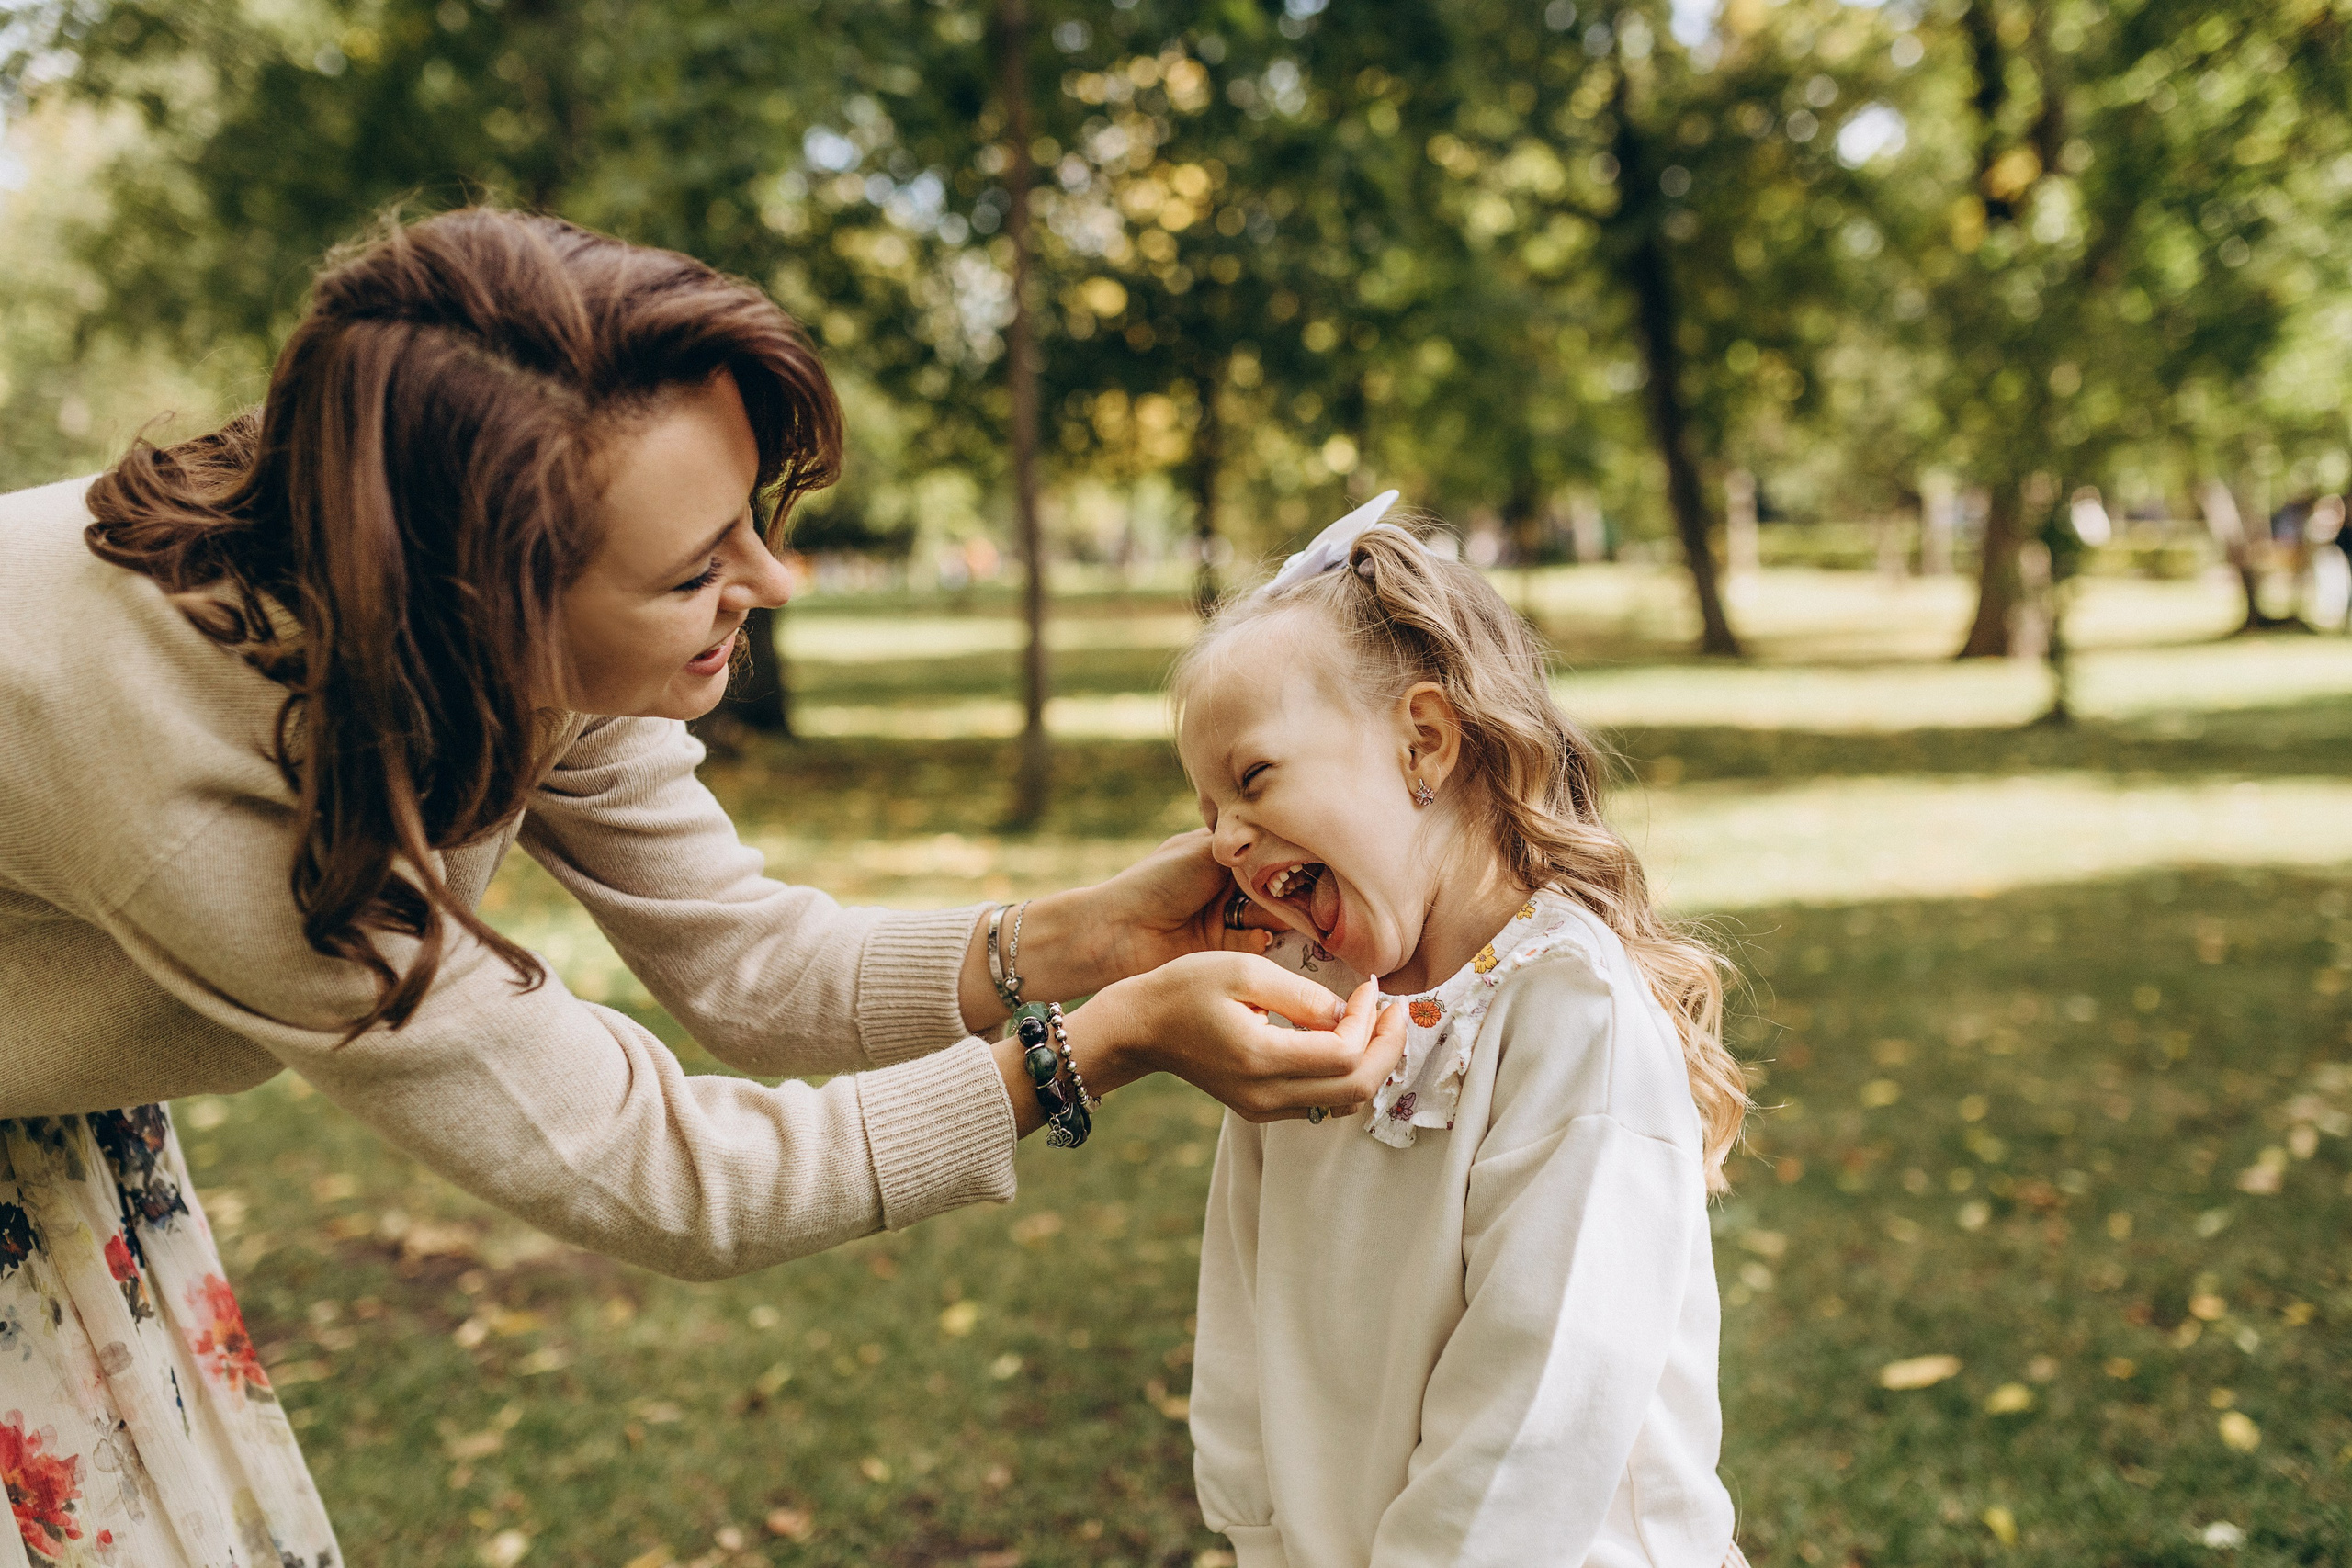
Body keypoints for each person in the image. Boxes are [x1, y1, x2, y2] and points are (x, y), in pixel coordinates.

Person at [0, 209, 1403, 1565]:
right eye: (696, 570)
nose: (774, 580)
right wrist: (1105, 1042)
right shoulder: (221, 806)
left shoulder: (476, 603)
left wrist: (1094, 933)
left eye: (749, 517)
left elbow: (752, 962)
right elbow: (659, 1171)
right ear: (483, 599)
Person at [1176, 496, 1752, 1568]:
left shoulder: (1570, 1013)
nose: (1222, 840)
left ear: (1424, 742)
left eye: (1250, 779)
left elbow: (1543, 1407)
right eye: (1206, 808)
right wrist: (1257, 1529)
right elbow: (1243, 1299)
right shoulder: (1301, 1011)